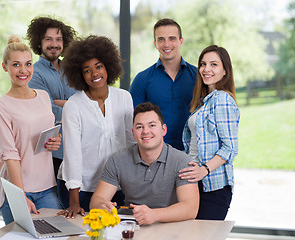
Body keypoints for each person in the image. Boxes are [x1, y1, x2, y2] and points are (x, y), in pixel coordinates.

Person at [56, 35, 134, 218]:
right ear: (80, 75)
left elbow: (131, 143)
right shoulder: (73, 105)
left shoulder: (124, 97)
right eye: (87, 70)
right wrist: (73, 200)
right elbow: (72, 153)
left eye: (98, 66)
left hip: (115, 185)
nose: (95, 74)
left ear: (108, 66)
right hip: (79, 187)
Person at [90, 102, 199, 225]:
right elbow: (96, 200)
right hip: (131, 226)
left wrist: (154, 215)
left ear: (163, 130)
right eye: (139, 127)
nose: (145, 131)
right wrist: (101, 206)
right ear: (133, 132)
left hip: (171, 226)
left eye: (152, 125)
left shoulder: (182, 161)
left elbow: (191, 209)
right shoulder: (117, 160)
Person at [0, 35, 62, 225]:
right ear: (5, 67)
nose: (23, 70)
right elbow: (10, 154)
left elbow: (44, 135)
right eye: (16, 65)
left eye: (28, 64)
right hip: (17, 189)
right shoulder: (2, 106)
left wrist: (55, 141)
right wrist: (20, 195)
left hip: (48, 187)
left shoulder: (44, 96)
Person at [179, 45, 240, 220]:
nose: (206, 69)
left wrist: (204, 170)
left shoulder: (222, 99)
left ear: (225, 71)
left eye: (214, 64)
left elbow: (230, 148)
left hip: (214, 187)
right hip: (194, 183)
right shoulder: (203, 103)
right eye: (203, 64)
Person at [129, 18, 197, 151]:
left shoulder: (198, 77)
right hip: (155, 156)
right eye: (161, 39)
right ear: (155, 43)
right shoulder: (142, 80)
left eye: (172, 38)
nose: (166, 44)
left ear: (180, 41)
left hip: (192, 155)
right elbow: (133, 121)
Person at [26, 16, 78, 180]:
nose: (54, 44)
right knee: (55, 202)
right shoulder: (33, 73)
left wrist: (62, 104)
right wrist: (73, 107)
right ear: (39, 43)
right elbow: (46, 111)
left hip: (77, 149)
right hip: (52, 152)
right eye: (48, 39)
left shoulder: (72, 71)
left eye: (58, 39)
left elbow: (86, 103)